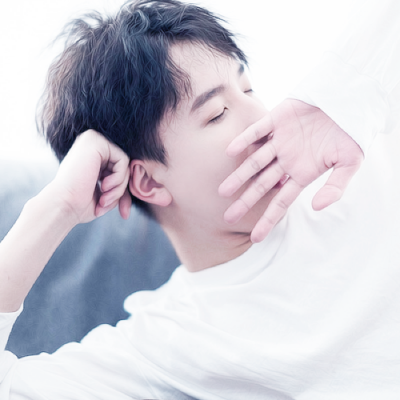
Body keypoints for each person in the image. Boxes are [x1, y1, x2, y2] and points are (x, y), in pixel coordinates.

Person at [0, 0, 399, 399]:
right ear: (148, 182)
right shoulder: (168, 345)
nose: (261, 117)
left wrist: (352, 87)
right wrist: (56, 207)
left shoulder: (355, 157)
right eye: (218, 113)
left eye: (249, 89)